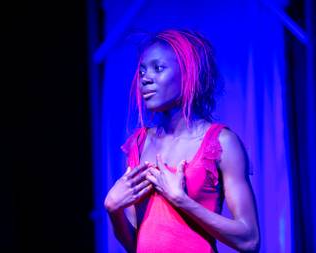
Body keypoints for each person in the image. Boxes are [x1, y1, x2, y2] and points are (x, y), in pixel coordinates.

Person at [104, 29, 260, 253]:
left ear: (188, 74)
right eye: (142, 71)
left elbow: (250, 240)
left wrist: (182, 201)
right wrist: (113, 210)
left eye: (158, 68)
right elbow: (135, 245)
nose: (145, 79)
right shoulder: (139, 144)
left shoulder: (221, 143)